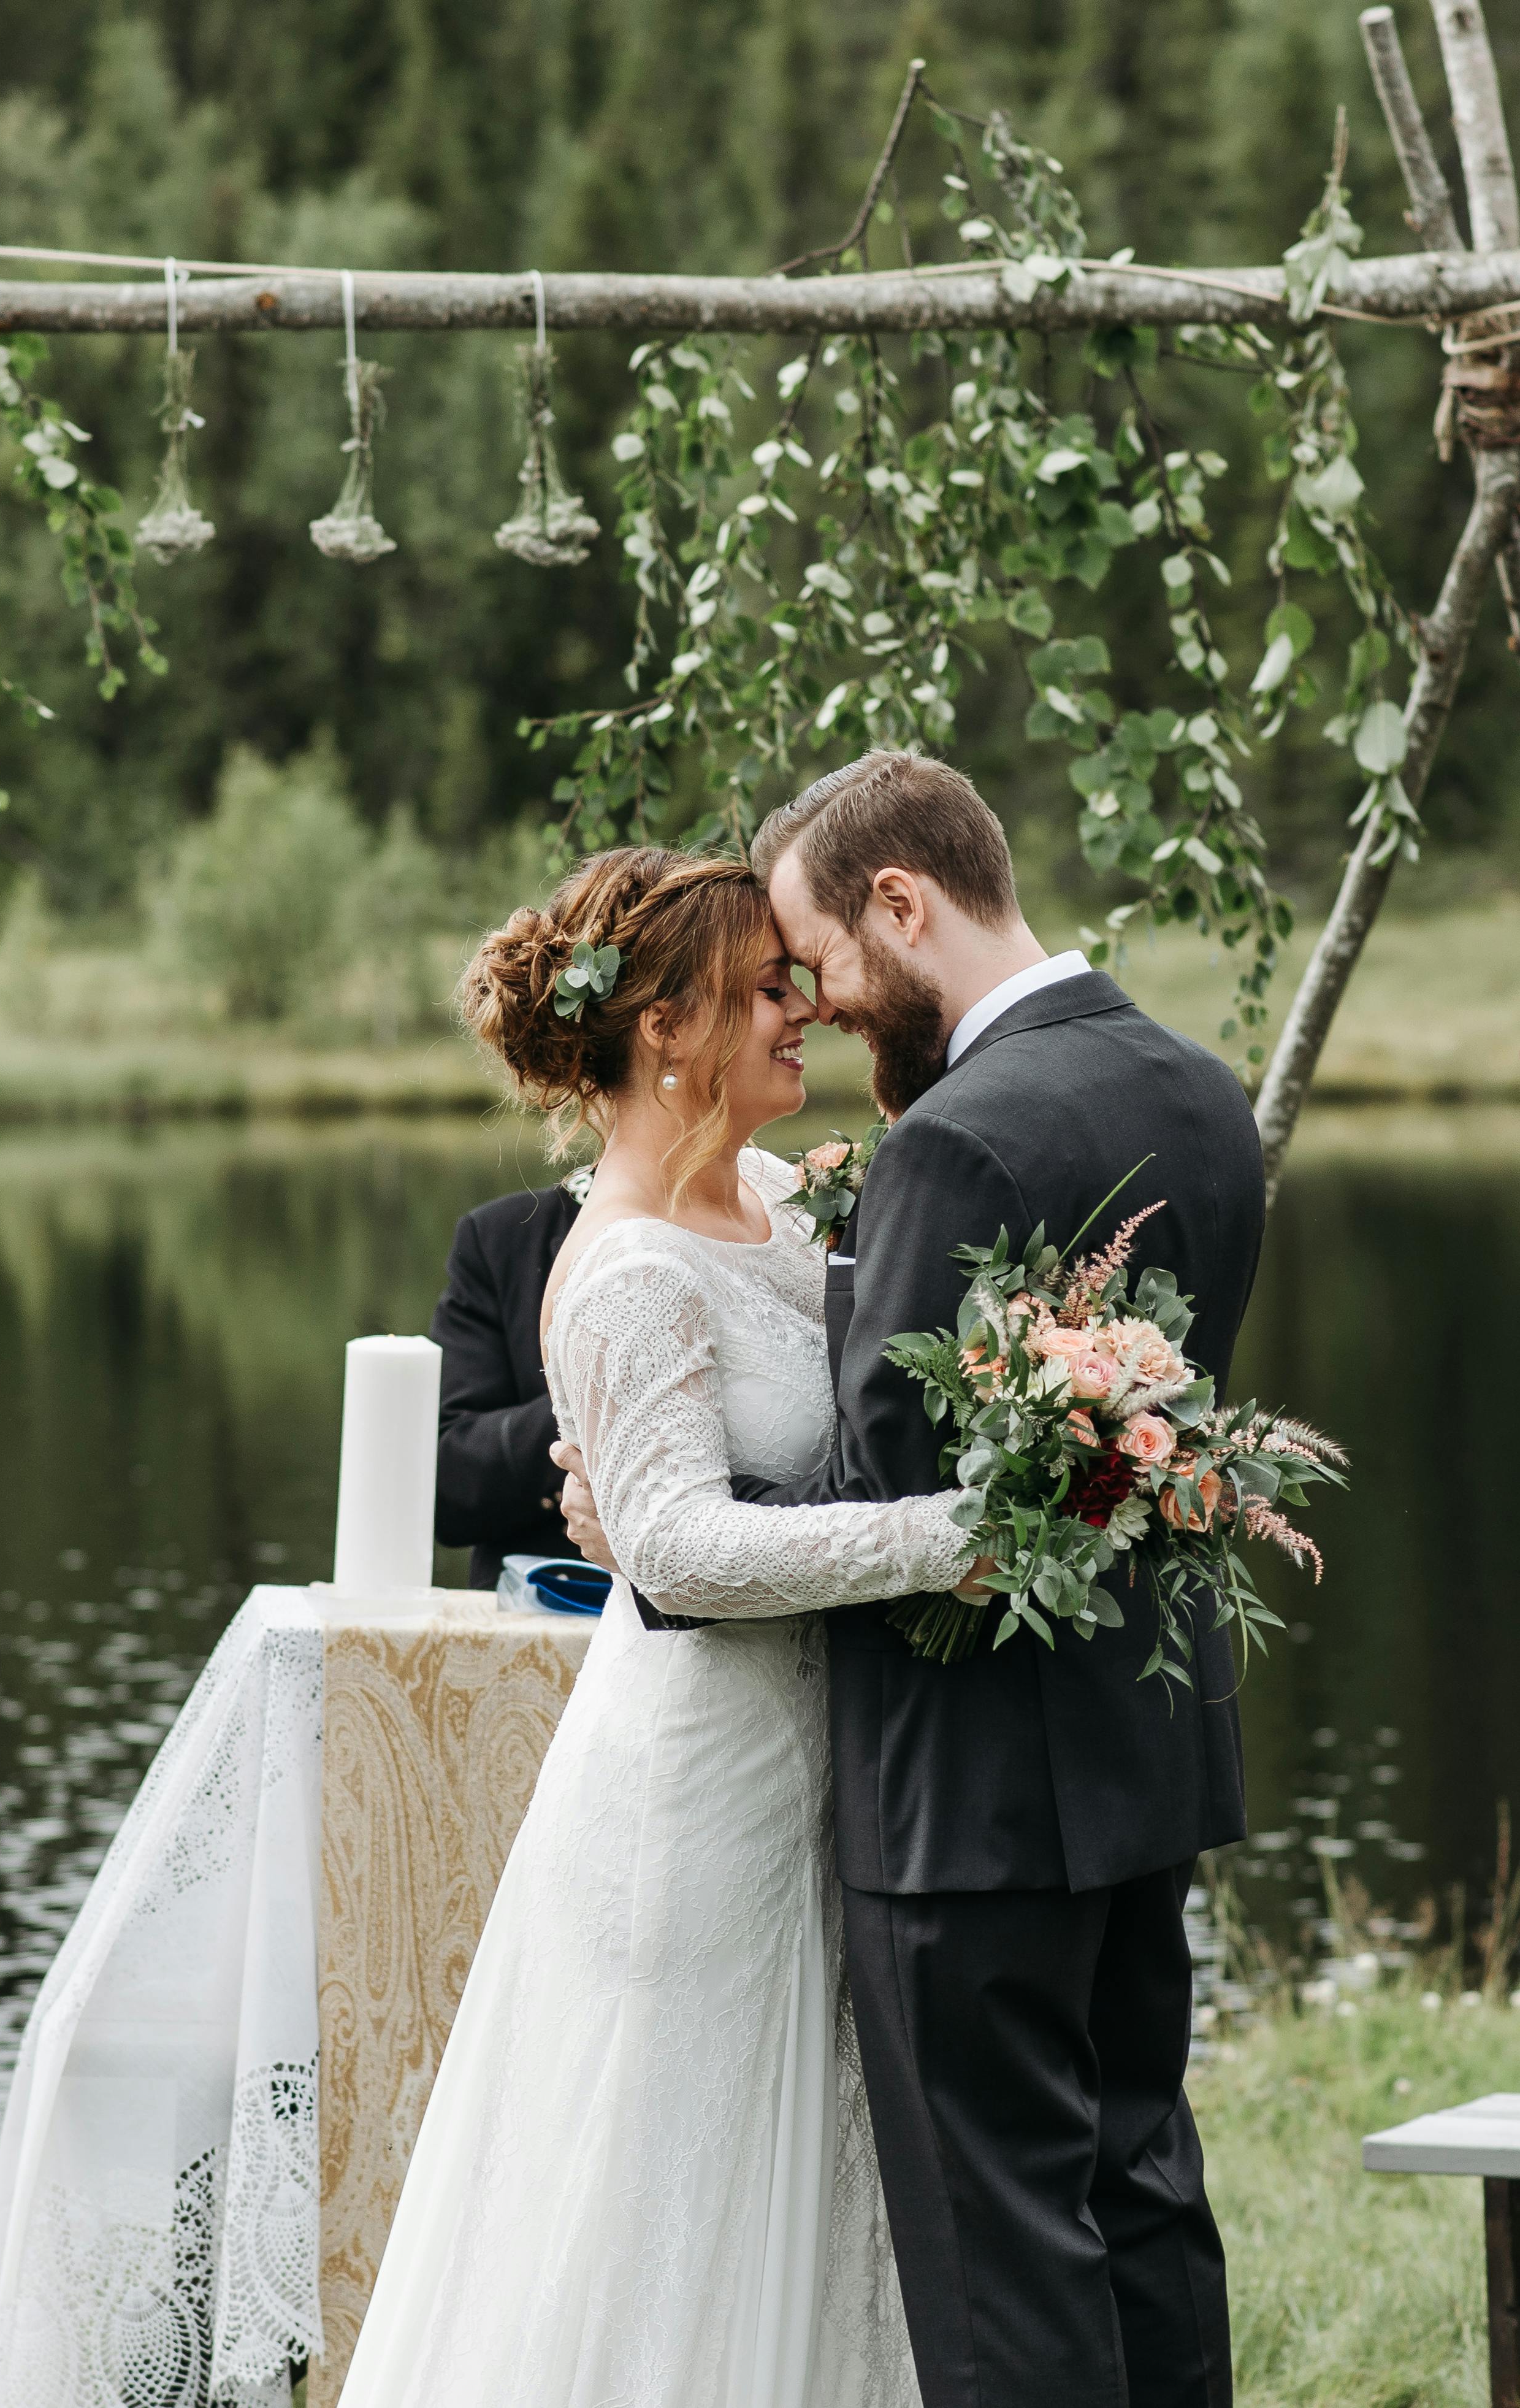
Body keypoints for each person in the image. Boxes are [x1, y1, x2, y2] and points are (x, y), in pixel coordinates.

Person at [559, 749, 1265, 2408]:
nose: (820, 1004)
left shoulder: (954, 1135)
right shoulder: (1198, 1085)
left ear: (901, 899)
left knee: (999, 2242)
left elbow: (897, 1483)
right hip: (1142, 1754)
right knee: (1141, 2187)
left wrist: (659, 1516)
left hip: (961, 1790)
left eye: (826, 959)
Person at [335, 844, 981, 2408]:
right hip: (699, 1790)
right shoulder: (619, 1261)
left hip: (824, 1762)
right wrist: (947, 1538)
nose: (808, 1006)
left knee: (820, 2187)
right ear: (664, 1026)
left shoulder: (772, 1192)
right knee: (670, 2187)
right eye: (770, 985)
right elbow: (681, 1547)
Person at [429, 1176, 587, 1586]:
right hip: (548, 1603)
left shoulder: (774, 1220)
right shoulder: (506, 1234)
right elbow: (450, 1486)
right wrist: (603, 1395)